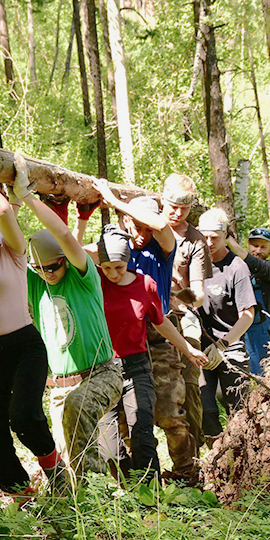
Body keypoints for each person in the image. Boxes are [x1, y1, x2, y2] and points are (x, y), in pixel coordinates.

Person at [13, 158, 122, 481]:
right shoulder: (36, 284)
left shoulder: (83, 277)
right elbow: (9, 245)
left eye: (55, 267)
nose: (50, 274)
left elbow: (62, 233)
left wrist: (28, 196)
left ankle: (95, 505)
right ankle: (73, 515)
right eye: (42, 269)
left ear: (65, 261)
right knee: (66, 463)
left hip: (100, 374)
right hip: (59, 387)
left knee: (79, 414)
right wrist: (14, 204)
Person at [0, 152, 66, 495]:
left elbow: (8, 211)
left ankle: (55, 470)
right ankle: (19, 490)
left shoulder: (12, 248)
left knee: (22, 415)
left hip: (24, 344)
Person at [91, 180, 199, 485]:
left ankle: (185, 474)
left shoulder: (162, 246)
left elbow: (161, 224)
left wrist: (114, 199)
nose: (142, 234)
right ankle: (135, 483)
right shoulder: (115, 251)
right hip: (123, 338)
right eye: (136, 227)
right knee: (126, 420)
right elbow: (76, 252)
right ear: (126, 223)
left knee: (166, 412)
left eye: (147, 228)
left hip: (157, 331)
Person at [160, 173, 211, 452]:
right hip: (147, 318)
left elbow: (199, 292)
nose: (177, 213)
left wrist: (189, 297)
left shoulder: (195, 240)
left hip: (181, 318)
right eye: (172, 206)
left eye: (184, 208)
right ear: (162, 199)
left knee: (190, 386)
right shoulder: (148, 227)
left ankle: (193, 455)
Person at [197, 210, 257, 439]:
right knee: (205, 411)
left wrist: (223, 344)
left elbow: (247, 315)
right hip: (200, 349)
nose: (209, 243)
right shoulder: (193, 263)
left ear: (225, 236)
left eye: (215, 237)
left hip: (229, 345)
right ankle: (217, 461)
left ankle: (245, 460)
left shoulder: (236, 267)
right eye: (205, 237)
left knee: (240, 411)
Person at [227, 227, 270, 375]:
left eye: (263, 247)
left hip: (263, 332)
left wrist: (229, 240)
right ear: (248, 244)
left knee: (268, 377)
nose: (258, 250)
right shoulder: (237, 266)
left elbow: (257, 266)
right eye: (254, 245)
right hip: (240, 330)